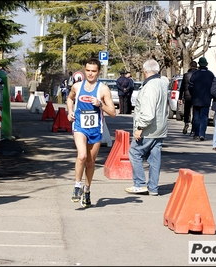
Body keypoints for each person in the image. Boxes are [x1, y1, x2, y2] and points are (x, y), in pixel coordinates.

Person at [66, 58, 116, 208]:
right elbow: (69, 98)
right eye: (88, 70)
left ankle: (87, 190)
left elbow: (113, 112)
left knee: (90, 162)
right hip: (80, 126)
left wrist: (100, 105)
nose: (90, 74)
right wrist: (69, 111)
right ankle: (77, 186)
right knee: (82, 155)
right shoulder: (77, 86)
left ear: (98, 72)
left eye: (93, 71)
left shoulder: (103, 89)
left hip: (95, 129)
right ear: (84, 70)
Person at [124, 59, 169, 195]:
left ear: (145, 71)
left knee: (135, 153)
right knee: (155, 158)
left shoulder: (150, 86)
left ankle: (139, 183)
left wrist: (139, 128)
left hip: (148, 129)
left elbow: (148, 112)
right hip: (160, 128)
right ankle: (153, 187)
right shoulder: (162, 83)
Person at [188, 57, 215, 141]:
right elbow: (213, 88)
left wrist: (193, 94)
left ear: (199, 64)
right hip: (206, 99)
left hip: (196, 99)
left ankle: (196, 133)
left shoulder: (195, 74)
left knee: (196, 116)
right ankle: (202, 133)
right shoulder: (211, 75)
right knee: (204, 116)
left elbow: (190, 87)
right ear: (206, 64)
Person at [178, 61, 198, 134]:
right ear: (196, 66)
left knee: (187, 110)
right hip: (196, 96)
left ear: (190, 66)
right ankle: (194, 125)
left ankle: (186, 122)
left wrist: (180, 97)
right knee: (195, 111)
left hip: (187, 96)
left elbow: (182, 87)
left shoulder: (186, 75)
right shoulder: (198, 75)